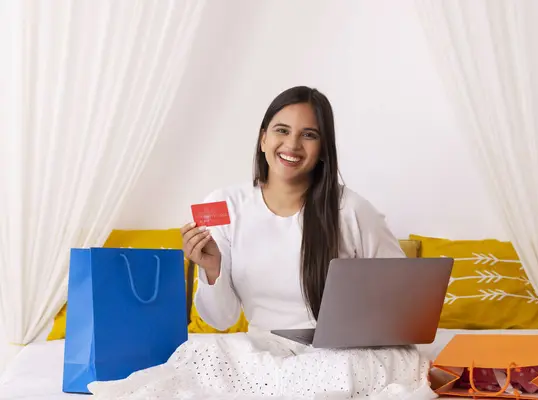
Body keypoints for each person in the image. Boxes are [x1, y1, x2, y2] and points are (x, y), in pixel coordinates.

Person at [88, 86, 436, 400]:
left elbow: (403, 303)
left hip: (341, 353)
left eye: (309, 135)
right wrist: (212, 268)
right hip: (267, 348)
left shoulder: (353, 209)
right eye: (282, 131)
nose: (293, 145)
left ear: (324, 149)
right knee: (205, 354)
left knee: (342, 369)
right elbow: (220, 320)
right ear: (263, 138)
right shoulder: (225, 205)